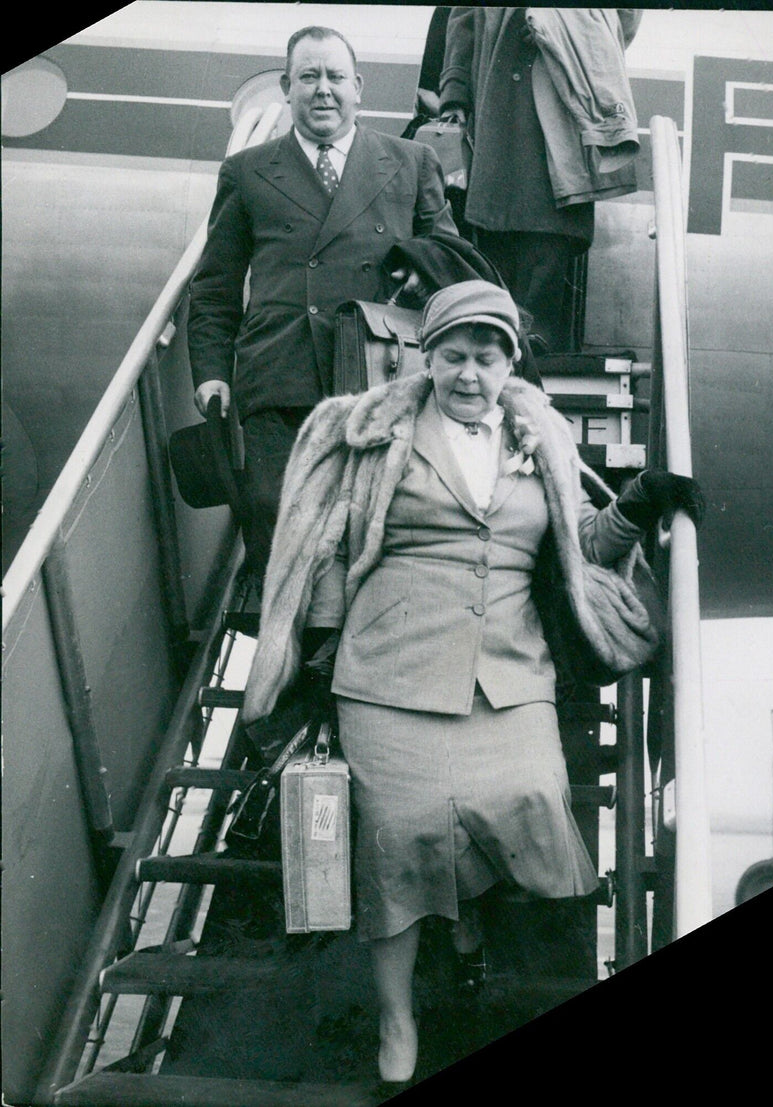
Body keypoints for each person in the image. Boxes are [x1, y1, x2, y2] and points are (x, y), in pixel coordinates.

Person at [241, 280, 704, 1084]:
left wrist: (635, 504)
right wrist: (316, 658)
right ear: (427, 357)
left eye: (484, 358)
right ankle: (396, 1020)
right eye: (451, 355)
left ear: (509, 362)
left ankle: (466, 933)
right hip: (389, 674)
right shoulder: (379, 432)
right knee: (398, 845)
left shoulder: (543, 434)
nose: (467, 374)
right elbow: (328, 547)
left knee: (529, 806)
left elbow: (575, 545)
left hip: (509, 674)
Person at [187, 25, 458, 576]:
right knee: (274, 515)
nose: (323, 89)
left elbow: (451, 267)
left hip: (378, 374)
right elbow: (215, 287)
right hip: (277, 377)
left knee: (373, 527)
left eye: (335, 76)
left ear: (358, 86)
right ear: (287, 88)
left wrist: (418, 270)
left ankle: (347, 654)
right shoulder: (248, 171)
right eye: (308, 77)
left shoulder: (410, 162)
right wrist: (211, 372)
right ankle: (295, 652)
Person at [438, 8, 642, 353]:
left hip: (558, 91)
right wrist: (455, 91)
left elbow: (624, 17)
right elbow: (464, 20)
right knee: (493, 237)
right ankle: (501, 340)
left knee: (551, 233)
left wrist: (565, 24)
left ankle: (537, 340)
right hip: (497, 99)